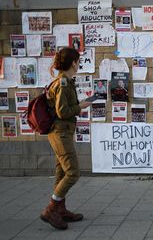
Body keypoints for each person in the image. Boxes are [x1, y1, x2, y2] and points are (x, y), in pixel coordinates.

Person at [40, 47, 92, 230]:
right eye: (78, 61)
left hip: (63, 132)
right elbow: (63, 112)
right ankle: (51, 209)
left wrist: (78, 105)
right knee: (73, 173)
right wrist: (81, 106)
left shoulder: (66, 81)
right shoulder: (62, 82)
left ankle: (60, 210)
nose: (79, 64)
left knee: (61, 172)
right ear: (73, 63)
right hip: (61, 133)